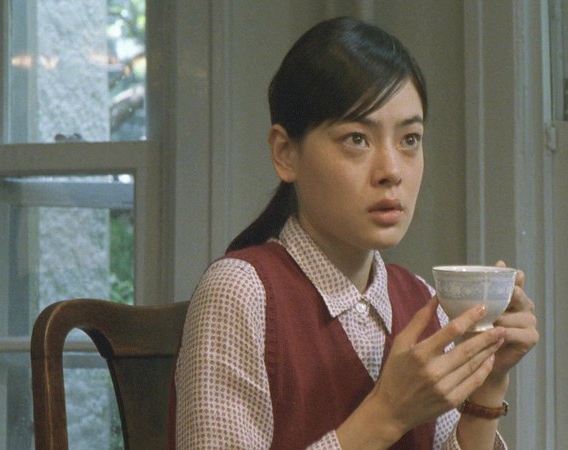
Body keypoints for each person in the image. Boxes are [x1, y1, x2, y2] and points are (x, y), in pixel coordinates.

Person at [170, 16, 538, 450]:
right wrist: (387, 414)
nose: (391, 171)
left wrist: (489, 379)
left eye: (410, 139)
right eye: (357, 139)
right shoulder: (240, 292)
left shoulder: (419, 299)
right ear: (285, 153)